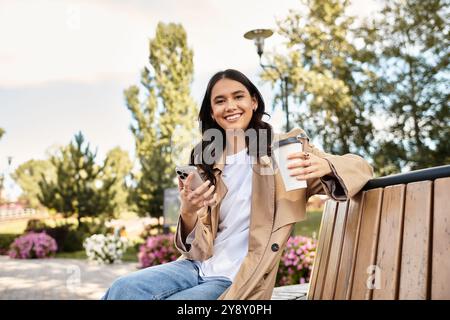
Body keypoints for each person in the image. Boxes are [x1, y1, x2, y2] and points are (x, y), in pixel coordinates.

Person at [102, 69, 374, 300]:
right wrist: (187, 212)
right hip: (196, 266)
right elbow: (197, 246)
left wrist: (326, 166)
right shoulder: (204, 157)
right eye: (220, 101)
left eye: (238, 96)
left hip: (238, 277)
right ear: (212, 111)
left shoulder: (284, 150)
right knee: (121, 289)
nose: (230, 106)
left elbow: (362, 167)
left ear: (254, 101)